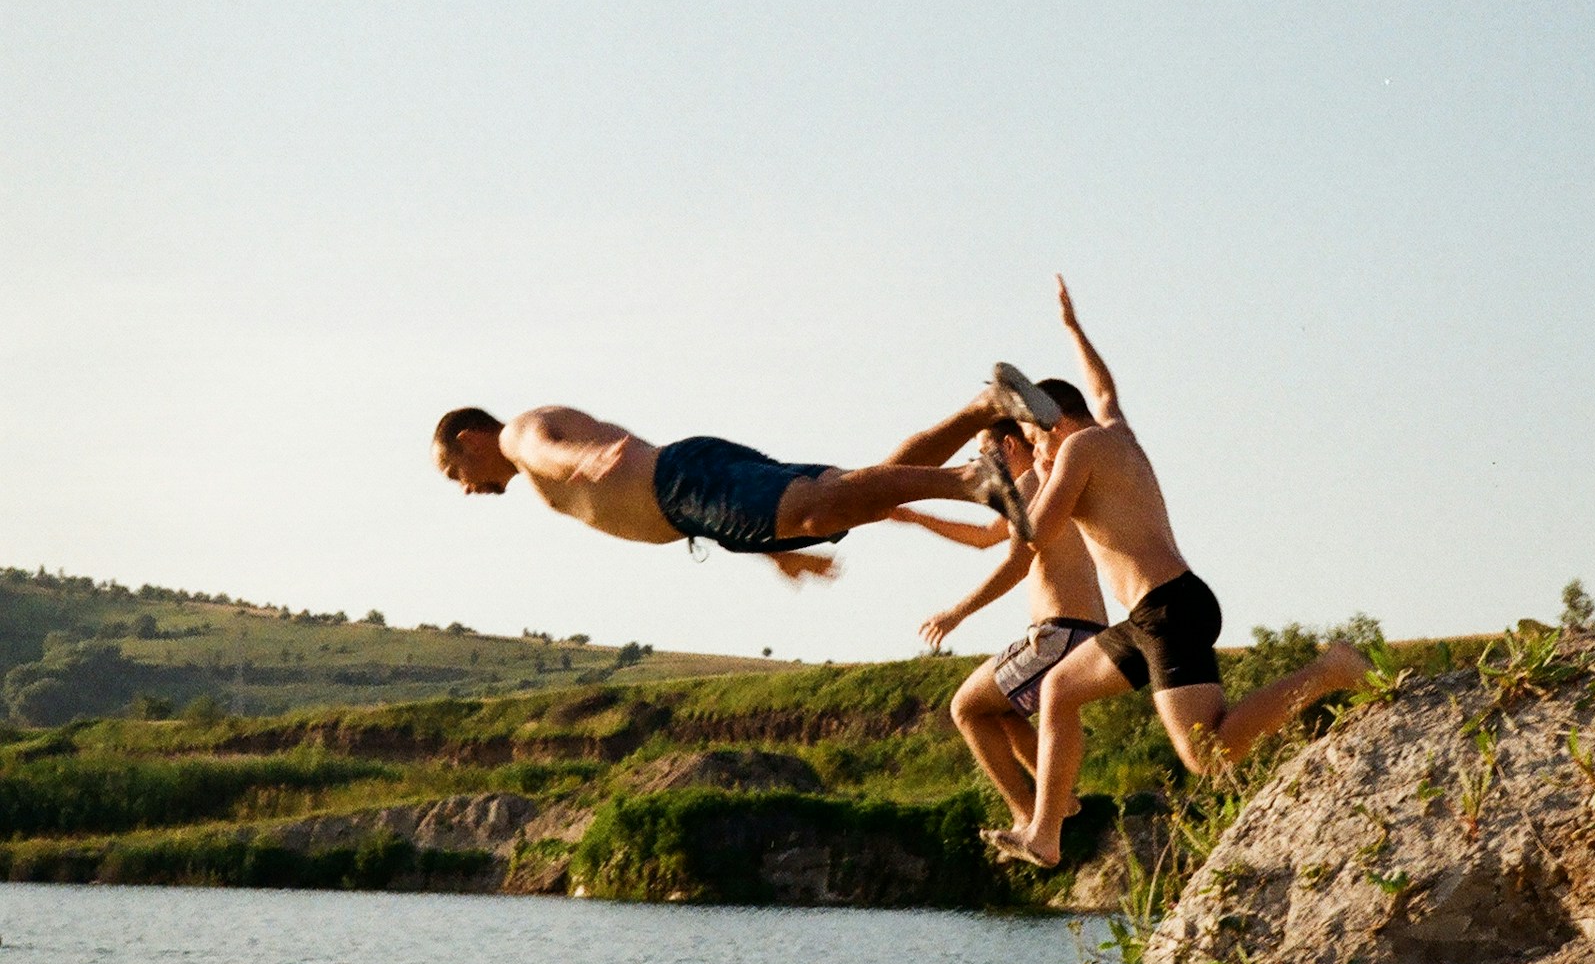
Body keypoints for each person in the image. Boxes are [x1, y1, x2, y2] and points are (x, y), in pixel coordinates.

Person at [986, 279, 1368, 865]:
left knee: (1208, 755)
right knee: (1059, 689)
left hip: (1168, 610)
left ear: (1056, 425)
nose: (1036, 455)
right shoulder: (1114, 432)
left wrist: (996, 487)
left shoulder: (1077, 451)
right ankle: (1044, 834)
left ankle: (1331, 668)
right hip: (1154, 613)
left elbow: (1033, 534)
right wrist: (1072, 329)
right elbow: (1103, 389)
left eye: (1037, 441)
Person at [432, 364, 1059, 580]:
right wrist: (768, 553)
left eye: (453, 468)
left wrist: (581, 460)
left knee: (826, 503)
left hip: (682, 484)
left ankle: (972, 481)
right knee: (861, 489)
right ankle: (986, 405)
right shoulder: (524, 437)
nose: (464, 486)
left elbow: (544, 448)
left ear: (468, 438)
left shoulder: (518, 434)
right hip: (695, 495)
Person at [907, 386, 1109, 836]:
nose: (979, 465)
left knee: (965, 708)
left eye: (983, 452)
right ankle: (1059, 799)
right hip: (1079, 631)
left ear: (1010, 445)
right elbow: (985, 535)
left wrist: (956, 613)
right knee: (1001, 712)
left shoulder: (1029, 482)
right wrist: (920, 518)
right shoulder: (1043, 483)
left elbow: (1017, 562)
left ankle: (1030, 814)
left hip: (1061, 633)